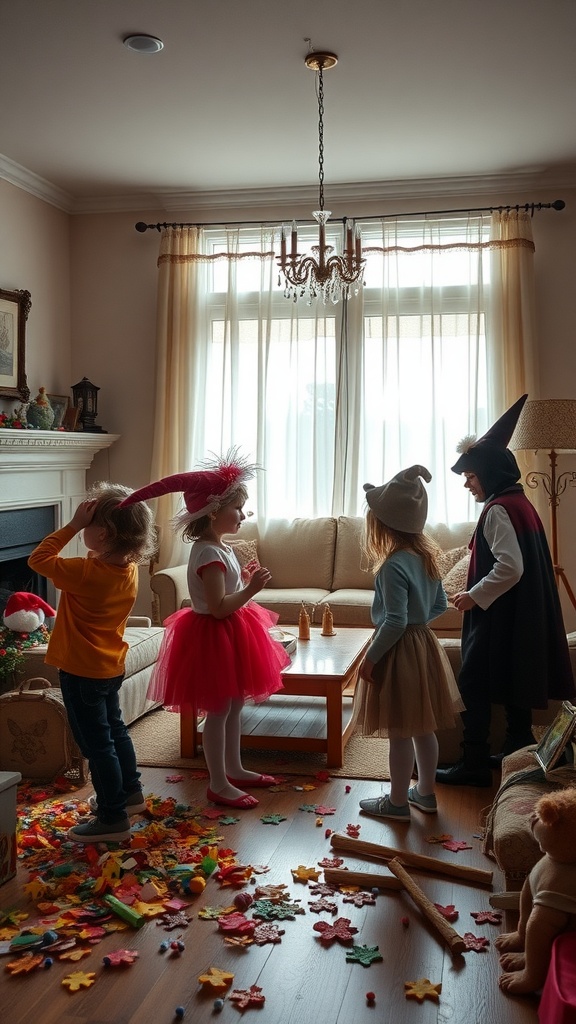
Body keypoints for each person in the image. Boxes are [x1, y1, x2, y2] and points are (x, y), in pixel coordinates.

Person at [119, 451, 290, 810]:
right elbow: (218, 607)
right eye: (238, 509)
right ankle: (218, 782)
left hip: (229, 632)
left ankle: (234, 769)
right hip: (215, 635)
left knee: (231, 708)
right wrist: (251, 589)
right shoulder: (208, 554)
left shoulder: (218, 547)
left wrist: (241, 580)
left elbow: (223, 596)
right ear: (213, 512)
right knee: (218, 711)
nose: (244, 515)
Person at [436, 394, 576, 787]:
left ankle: (474, 763)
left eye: (471, 477)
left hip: (498, 614)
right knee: (515, 680)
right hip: (518, 615)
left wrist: (473, 595)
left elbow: (511, 568)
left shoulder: (498, 509)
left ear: (490, 473)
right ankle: (516, 750)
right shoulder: (520, 502)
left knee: (473, 684)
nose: (467, 484)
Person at [28, 482, 157, 843]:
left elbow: (37, 560)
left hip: (81, 671)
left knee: (96, 745)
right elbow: (91, 556)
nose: (81, 530)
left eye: (87, 526)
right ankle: (130, 794)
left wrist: (70, 526)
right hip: (109, 667)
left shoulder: (86, 574)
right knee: (115, 732)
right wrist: (88, 527)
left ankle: (112, 817)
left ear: (101, 534)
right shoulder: (127, 569)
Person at [355, 465, 464, 822]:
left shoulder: (391, 566)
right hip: (423, 646)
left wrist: (370, 658)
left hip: (398, 650)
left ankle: (398, 802)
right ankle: (426, 794)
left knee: (400, 730)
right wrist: (419, 627)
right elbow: (439, 605)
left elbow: (395, 620)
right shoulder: (427, 558)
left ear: (382, 525)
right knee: (422, 726)